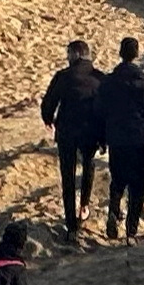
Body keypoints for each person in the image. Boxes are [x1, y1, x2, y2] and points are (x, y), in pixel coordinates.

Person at [38, 41, 106, 239]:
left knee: (67, 177)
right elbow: (105, 107)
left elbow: (49, 102)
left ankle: (71, 225)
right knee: (88, 165)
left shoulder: (63, 76)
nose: (67, 57)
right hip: (91, 131)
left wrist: (48, 119)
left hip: (67, 131)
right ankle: (84, 205)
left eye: (68, 53)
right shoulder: (99, 77)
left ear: (76, 54)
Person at [100, 37, 144, 239]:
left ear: (120, 53)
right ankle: (131, 229)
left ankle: (113, 212)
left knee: (117, 181)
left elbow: (100, 110)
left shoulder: (108, 81)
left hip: (116, 138)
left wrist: (102, 136)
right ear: (136, 54)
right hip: (139, 138)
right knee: (138, 185)